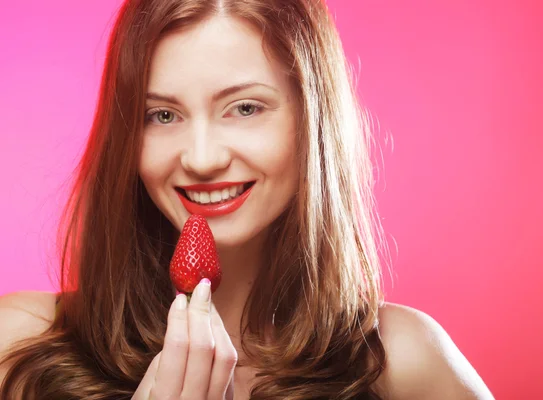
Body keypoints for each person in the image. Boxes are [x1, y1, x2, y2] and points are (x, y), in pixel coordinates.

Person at [0, 0, 495, 399]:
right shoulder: (20, 345)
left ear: (310, 122)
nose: (200, 158)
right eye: (163, 115)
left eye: (244, 108)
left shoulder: (401, 361)